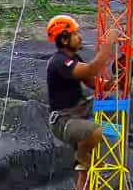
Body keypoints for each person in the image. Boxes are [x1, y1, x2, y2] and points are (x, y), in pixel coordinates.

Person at [45, 15, 122, 172]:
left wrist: (110, 84)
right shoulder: (60, 62)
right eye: (75, 34)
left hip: (78, 114)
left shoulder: (73, 59)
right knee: (98, 131)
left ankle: (85, 162)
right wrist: (108, 44)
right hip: (64, 121)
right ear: (65, 40)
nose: (80, 37)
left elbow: (91, 81)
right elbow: (91, 69)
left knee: (84, 172)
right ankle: (81, 155)